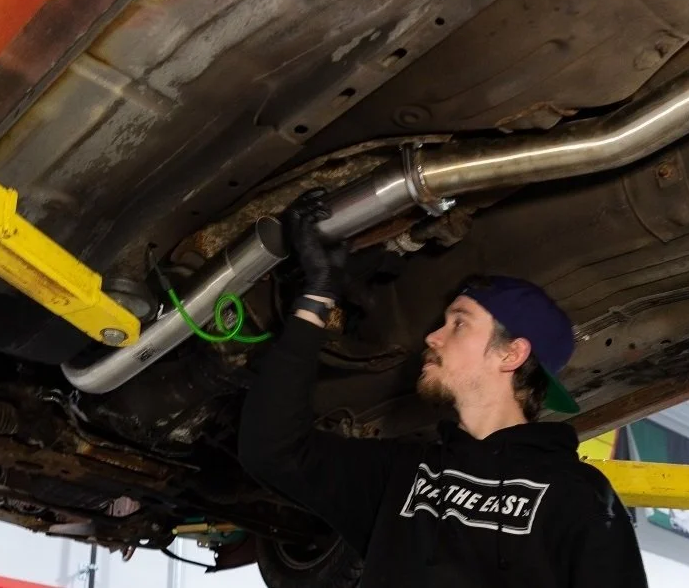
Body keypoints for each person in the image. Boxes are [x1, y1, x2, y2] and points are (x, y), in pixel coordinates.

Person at [238, 190, 648, 587]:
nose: (433, 337)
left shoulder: (575, 495)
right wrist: (318, 293)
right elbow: (273, 450)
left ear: (511, 354)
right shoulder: (402, 475)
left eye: (459, 323)